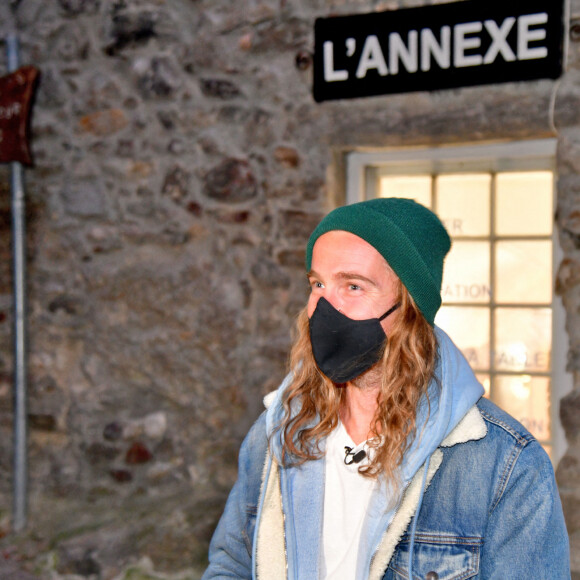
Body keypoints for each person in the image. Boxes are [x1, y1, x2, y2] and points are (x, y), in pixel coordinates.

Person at [202, 198, 570, 579]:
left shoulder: (504, 465)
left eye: (354, 286)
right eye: (318, 284)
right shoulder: (277, 434)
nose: (324, 308)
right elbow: (231, 564)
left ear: (410, 307)